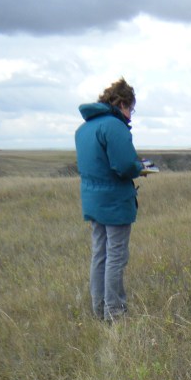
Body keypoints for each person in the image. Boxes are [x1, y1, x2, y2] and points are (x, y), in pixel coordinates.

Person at [75, 78, 145, 321]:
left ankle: (99, 309)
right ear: (123, 103)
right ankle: (115, 312)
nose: (130, 115)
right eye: (131, 108)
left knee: (100, 254)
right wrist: (139, 167)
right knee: (116, 256)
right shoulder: (114, 126)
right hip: (114, 202)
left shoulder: (84, 128)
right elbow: (124, 165)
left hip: (93, 201)